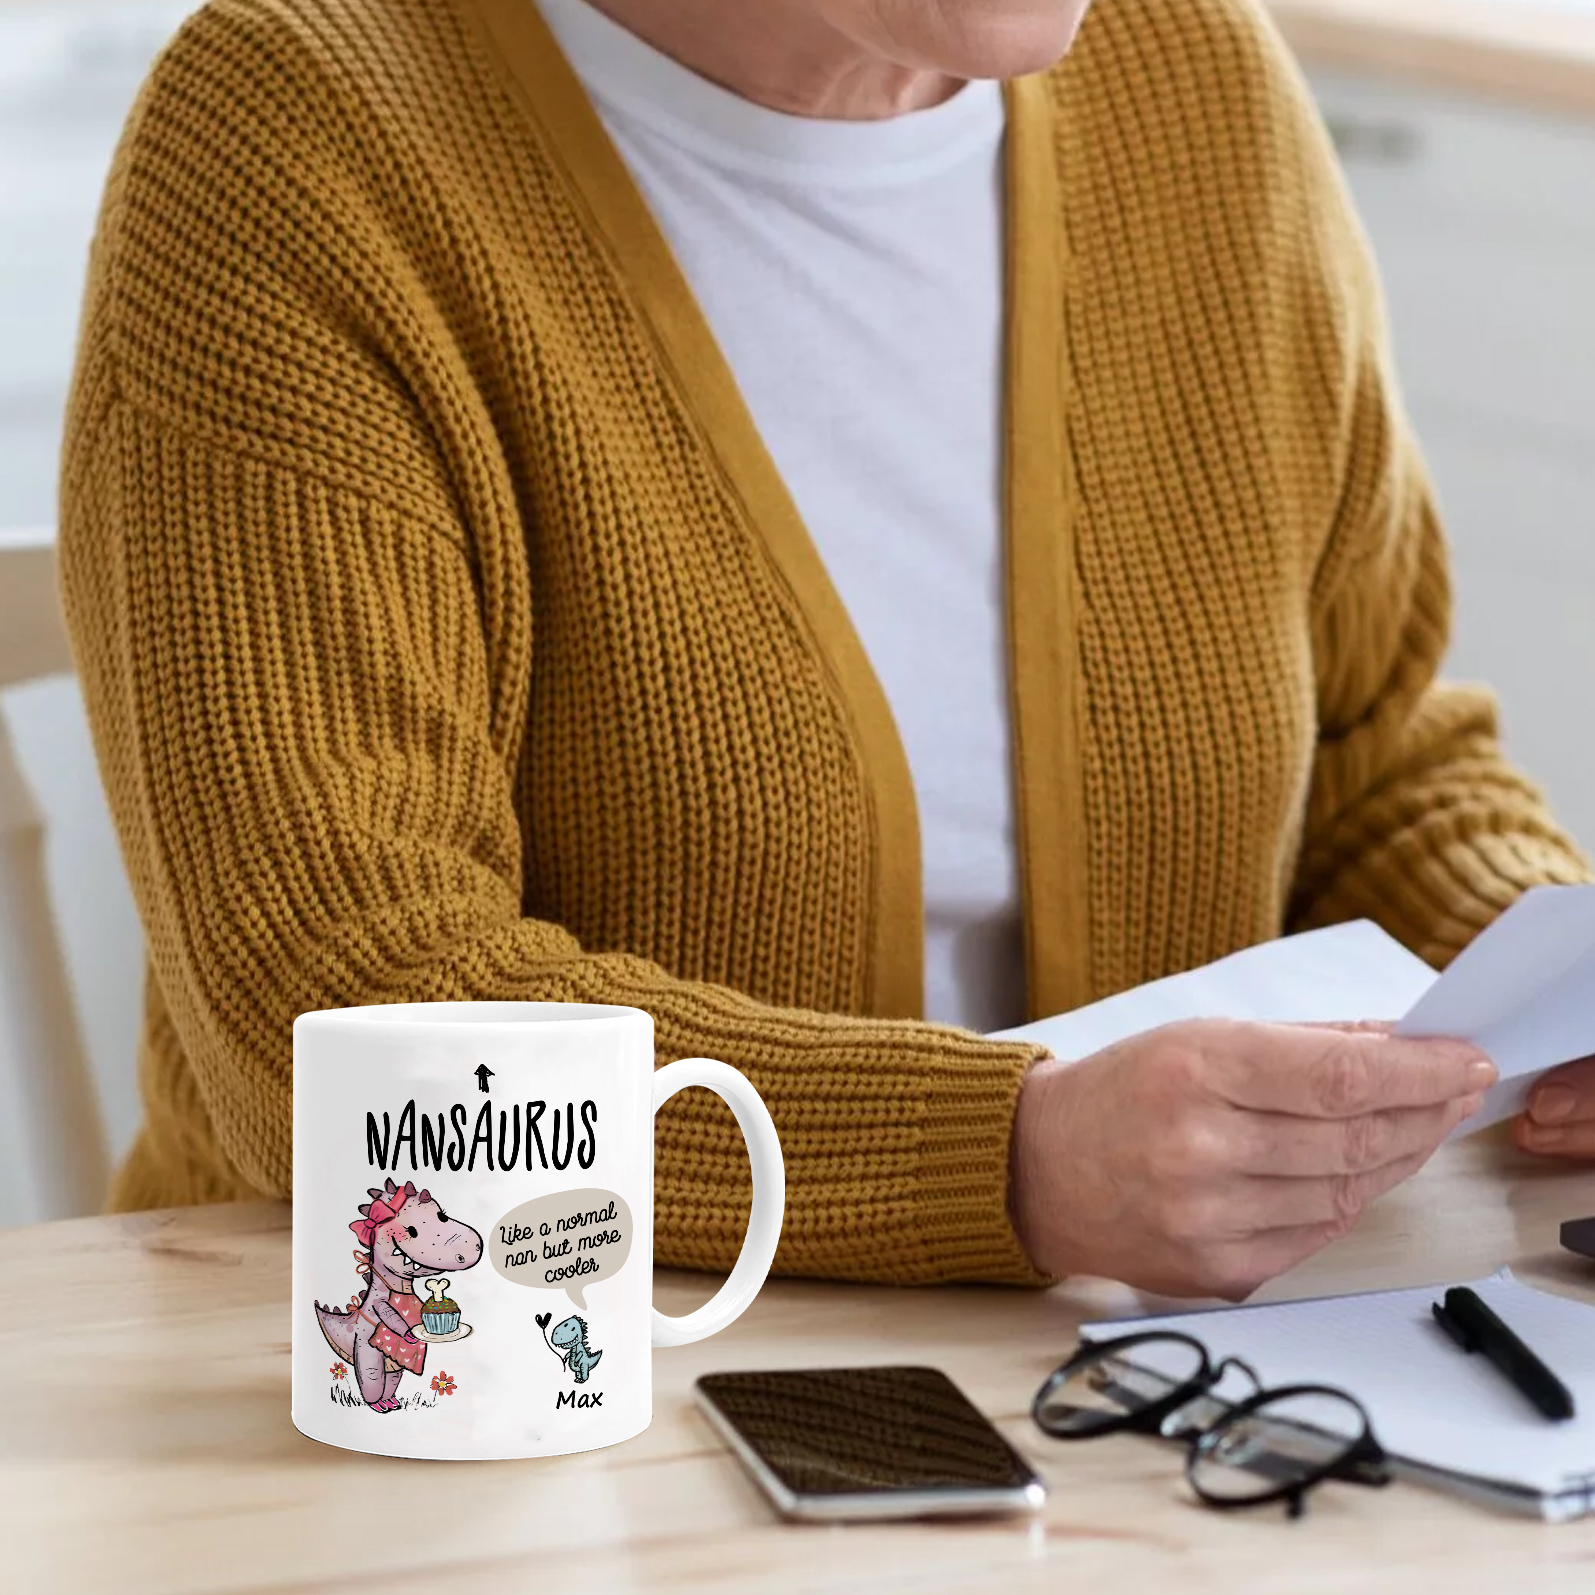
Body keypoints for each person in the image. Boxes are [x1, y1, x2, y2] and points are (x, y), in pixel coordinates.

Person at [59, 0, 1593, 1302]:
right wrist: (1004, 1161)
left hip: (1116, 1411)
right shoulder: (298, 142)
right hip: (456, 1389)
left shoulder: (1189, 76)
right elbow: (343, 1017)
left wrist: (1554, 978)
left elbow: (1373, 756)